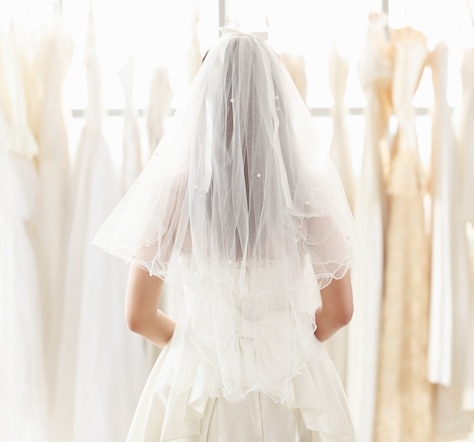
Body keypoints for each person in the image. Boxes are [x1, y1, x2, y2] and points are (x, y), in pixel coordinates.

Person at [94, 30, 356, 441]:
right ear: (278, 104)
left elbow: (138, 316)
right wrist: (286, 341)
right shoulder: (307, 189)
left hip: (200, 375)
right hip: (291, 374)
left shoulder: (176, 193)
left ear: (207, 102)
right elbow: (340, 311)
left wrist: (196, 345)